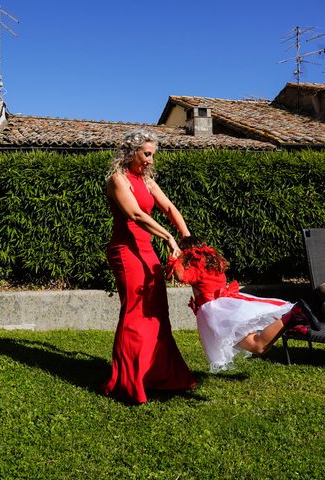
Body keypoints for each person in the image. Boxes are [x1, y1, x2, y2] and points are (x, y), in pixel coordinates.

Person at [103, 128, 196, 404]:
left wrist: (188, 238)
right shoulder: (118, 179)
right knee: (134, 311)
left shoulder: (147, 181)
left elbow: (169, 208)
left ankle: (159, 375)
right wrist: (168, 237)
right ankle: (128, 382)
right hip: (125, 251)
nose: (150, 160)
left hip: (146, 251)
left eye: (152, 155)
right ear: (131, 152)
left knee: (157, 312)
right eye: (146, 154)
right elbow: (134, 214)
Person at [167, 236, 321, 373]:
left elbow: (181, 277)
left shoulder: (197, 267)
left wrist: (174, 259)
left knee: (257, 346)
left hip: (221, 313)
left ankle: (293, 317)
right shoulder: (211, 262)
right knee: (257, 339)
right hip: (228, 304)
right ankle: (294, 324)